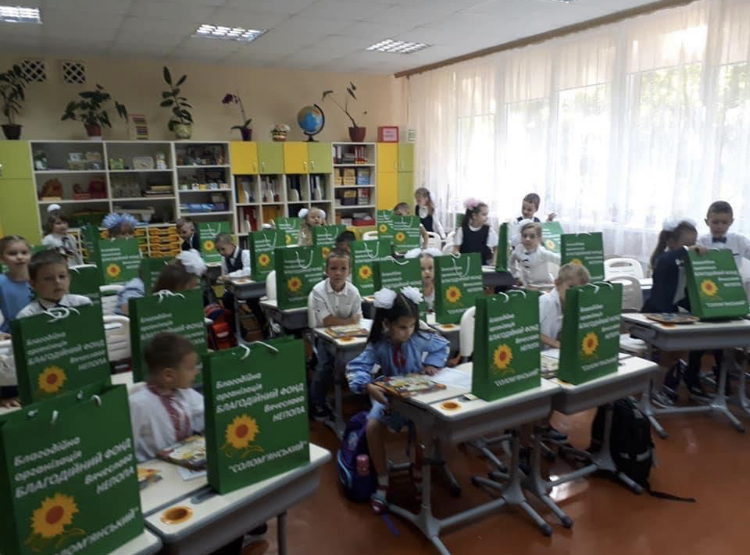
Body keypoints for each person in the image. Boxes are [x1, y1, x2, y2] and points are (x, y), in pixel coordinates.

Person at [346, 288, 449, 514]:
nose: (408, 332)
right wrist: (368, 386)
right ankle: (383, 480)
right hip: (389, 399)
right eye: (403, 327)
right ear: (387, 324)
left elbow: (442, 345)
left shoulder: (418, 338)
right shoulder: (378, 344)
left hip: (418, 398)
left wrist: (432, 364)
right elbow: (357, 367)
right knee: (373, 426)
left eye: (412, 326)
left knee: (424, 429)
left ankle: (418, 470)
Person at [643, 218, 710, 401]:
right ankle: (656, 388)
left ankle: (662, 384)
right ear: (671, 242)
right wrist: (686, 251)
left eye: (694, 243)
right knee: (668, 353)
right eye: (687, 244)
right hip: (657, 314)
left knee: (677, 353)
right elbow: (668, 261)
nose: (692, 248)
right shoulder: (664, 259)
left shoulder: (683, 261)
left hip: (678, 313)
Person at [309, 249, 362, 419]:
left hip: (348, 337)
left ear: (349, 271)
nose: (338, 273)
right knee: (325, 366)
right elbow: (327, 321)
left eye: (343, 268)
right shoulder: (318, 291)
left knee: (367, 355)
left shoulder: (353, 291)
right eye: (333, 268)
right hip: (323, 337)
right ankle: (316, 403)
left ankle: (364, 396)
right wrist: (348, 321)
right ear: (326, 270)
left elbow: (358, 319)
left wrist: (345, 321)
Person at [0, 235, 33, 407]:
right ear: (2, 258)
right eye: (12, 253)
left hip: (36, 335)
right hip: (10, 339)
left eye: (24, 252)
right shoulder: (1, 282)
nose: (19, 257)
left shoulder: (39, 280)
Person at [215, 232, 266, 337]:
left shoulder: (245, 254)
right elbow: (224, 275)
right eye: (218, 250)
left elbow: (248, 271)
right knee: (226, 299)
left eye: (223, 249)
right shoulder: (224, 260)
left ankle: (264, 326)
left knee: (253, 302)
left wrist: (230, 276)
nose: (221, 252)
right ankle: (239, 331)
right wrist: (223, 279)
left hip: (251, 289)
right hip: (237, 290)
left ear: (232, 244)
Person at [17, 250, 92, 318]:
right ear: (33, 283)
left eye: (62, 276)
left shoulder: (82, 303)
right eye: (48, 278)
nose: (57, 282)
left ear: (69, 278)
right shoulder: (27, 315)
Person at [539, 263, 591, 350]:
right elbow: (529, 330)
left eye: (580, 289)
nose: (575, 292)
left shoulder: (568, 305)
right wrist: (556, 344)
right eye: (571, 286)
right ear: (557, 283)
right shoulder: (546, 301)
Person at [697, 200, 750, 272]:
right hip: (707, 278)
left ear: (731, 222)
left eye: (724, 222)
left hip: (732, 278)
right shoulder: (700, 242)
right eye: (715, 222)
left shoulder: (740, 240)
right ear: (707, 222)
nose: (720, 226)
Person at [509, 221, 560, 287]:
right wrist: (516, 276)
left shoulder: (542, 253)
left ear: (539, 238)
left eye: (532, 236)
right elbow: (511, 263)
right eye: (524, 236)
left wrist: (560, 279)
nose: (527, 239)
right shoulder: (518, 250)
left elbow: (561, 260)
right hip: (526, 286)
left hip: (545, 286)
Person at [453, 198, 498, 265]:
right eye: (484, 215)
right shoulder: (462, 230)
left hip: (483, 265)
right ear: (474, 216)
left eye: (487, 215)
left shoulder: (489, 230)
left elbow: (496, 248)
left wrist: (494, 262)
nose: (486, 217)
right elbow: (456, 249)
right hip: (466, 265)